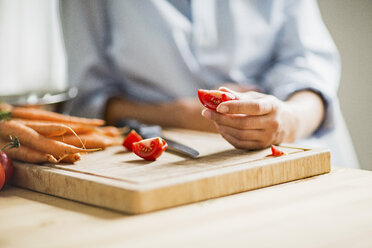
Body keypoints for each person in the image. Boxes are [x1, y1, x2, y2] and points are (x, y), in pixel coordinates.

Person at [59, 0, 359, 168]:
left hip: (301, 151)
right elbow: (87, 99)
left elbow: (311, 68)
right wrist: (178, 115)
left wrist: (287, 120)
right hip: (172, 166)